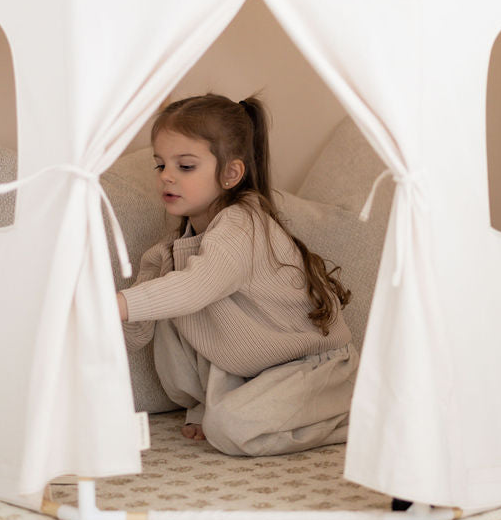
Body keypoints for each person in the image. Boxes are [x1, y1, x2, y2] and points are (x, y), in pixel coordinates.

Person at [116, 93, 357, 457]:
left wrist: (120, 304)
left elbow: (197, 286)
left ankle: (354, 413)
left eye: (184, 167)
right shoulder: (173, 246)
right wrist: (114, 313)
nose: (166, 176)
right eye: (160, 165)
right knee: (166, 302)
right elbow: (139, 333)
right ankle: (208, 404)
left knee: (228, 429)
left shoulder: (243, 223)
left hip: (312, 369)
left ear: (230, 173)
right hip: (255, 374)